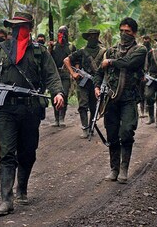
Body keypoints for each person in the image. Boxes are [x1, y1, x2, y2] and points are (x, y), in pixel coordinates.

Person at [0, 12, 64, 216]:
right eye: (14, 26)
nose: (17, 30)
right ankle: (6, 199)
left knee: (28, 152)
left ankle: (22, 188)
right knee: (7, 153)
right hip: (5, 109)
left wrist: (58, 93)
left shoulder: (39, 52)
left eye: (21, 27)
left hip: (30, 109)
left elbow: (52, 76)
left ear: (29, 28)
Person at [93, 17, 146, 184]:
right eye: (122, 31)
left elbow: (129, 63)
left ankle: (124, 168)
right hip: (111, 100)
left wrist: (110, 62)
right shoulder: (110, 51)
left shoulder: (140, 50)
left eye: (128, 32)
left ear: (134, 33)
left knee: (127, 131)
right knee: (112, 134)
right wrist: (96, 86)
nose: (124, 34)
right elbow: (99, 72)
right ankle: (114, 169)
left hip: (129, 99)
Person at [63, 29, 106, 138]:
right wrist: (73, 73)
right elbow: (66, 60)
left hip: (97, 83)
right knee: (83, 105)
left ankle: (91, 127)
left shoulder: (103, 52)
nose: (93, 38)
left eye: (95, 36)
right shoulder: (82, 51)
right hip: (83, 83)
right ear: (87, 38)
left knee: (94, 107)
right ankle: (85, 128)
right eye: (91, 36)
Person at [49, 26, 76, 127]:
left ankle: (62, 118)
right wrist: (50, 48)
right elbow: (48, 59)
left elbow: (75, 60)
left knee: (63, 94)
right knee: (54, 96)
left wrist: (73, 73)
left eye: (64, 32)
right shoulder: (54, 46)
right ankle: (56, 118)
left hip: (65, 74)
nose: (62, 34)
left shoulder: (71, 47)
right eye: (60, 32)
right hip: (55, 75)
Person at [139, 35, 152, 118]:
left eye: (147, 39)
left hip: (150, 75)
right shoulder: (139, 50)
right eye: (144, 39)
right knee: (141, 94)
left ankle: (147, 111)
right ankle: (142, 112)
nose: (146, 40)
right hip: (140, 75)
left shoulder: (152, 51)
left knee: (148, 94)